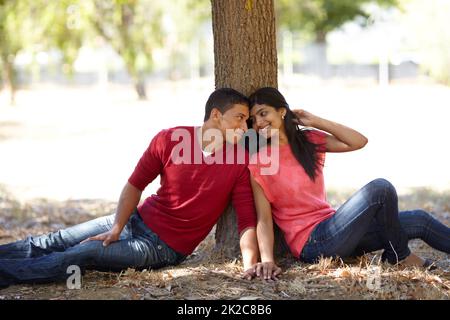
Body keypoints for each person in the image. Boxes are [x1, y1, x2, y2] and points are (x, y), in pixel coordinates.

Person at [0, 88, 260, 289]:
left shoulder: (238, 162)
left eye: (247, 121)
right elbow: (135, 184)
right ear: (216, 115)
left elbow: (247, 220)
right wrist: (117, 226)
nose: (245, 127)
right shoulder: (169, 139)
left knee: (84, 251)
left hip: (163, 247)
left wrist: (250, 264)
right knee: (58, 239)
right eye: (239, 118)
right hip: (135, 220)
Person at [245, 87, 450, 280]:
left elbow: (358, 141)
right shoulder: (260, 162)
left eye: (264, 113)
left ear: (282, 112)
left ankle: (397, 255)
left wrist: (315, 120)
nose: (259, 123)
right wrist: (268, 260)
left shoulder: (307, 141)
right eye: (254, 119)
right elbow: (264, 219)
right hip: (312, 243)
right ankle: (400, 256)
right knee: (381, 189)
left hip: (336, 230)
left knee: (419, 220)